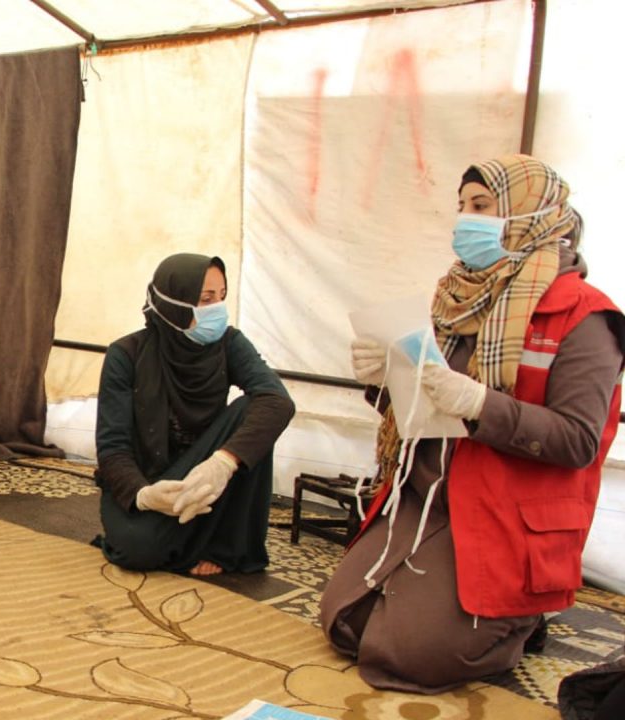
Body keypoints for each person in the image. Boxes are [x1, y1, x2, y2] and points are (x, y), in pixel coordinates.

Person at [321, 154, 625, 693]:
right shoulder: (456, 299)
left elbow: (579, 441)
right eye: (462, 206)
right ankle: (465, 607)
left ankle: (521, 621)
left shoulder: (584, 316)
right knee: (343, 622)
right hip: (425, 495)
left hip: (502, 512)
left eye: (482, 206)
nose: (466, 220)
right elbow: (428, 405)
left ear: (532, 213)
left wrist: (481, 403)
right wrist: (384, 380)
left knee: (411, 656)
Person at [94, 253, 295, 577]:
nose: (217, 309)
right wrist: (144, 496)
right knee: (135, 549)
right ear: (173, 305)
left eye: (221, 297)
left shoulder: (230, 343)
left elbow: (278, 401)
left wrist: (223, 463)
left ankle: (217, 546)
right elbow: (112, 447)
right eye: (205, 299)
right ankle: (190, 541)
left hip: (206, 476)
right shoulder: (126, 354)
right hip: (148, 479)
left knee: (256, 411)